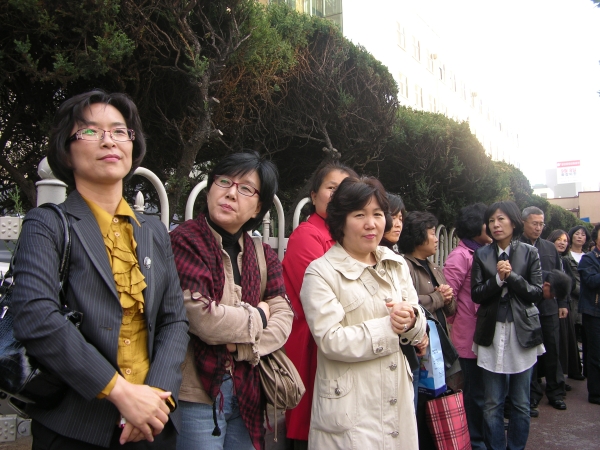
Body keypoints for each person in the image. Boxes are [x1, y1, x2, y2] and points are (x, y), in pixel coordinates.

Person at [11, 90, 190, 449]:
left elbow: (174, 320)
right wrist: (121, 392)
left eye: (120, 131)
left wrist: (156, 397)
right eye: (90, 131)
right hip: (75, 427)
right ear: (66, 151)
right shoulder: (47, 224)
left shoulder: (153, 230)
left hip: (153, 424)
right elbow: (35, 315)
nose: (109, 140)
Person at [170, 151, 293, 450]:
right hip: (198, 394)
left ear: (258, 207)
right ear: (210, 188)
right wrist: (259, 316)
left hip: (249, 388)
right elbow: (203, 319)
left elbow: (284, 315)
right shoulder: (184, 241)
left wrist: (241, 347)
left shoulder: (262, 253)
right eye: (224, 181)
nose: (231, 193)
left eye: (246, 188)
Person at [300, 177, 427, 449]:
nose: (371, 223)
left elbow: (416, 315)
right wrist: (389, 328)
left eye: (378, 214)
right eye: (359, 215)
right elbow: (330, 339)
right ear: (341, 221)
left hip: (396, 398)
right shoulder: (321, 272)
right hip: (352, 410)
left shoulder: (396, 264)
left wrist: (412, 320)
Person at [282, 160, 357, 449]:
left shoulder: (347, 238)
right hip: (313, 347)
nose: (338, 195)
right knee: (313, 429)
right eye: (331, 188)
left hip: (345, 345)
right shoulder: (307, 235)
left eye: (346, 189)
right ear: (314, 196)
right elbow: (325, 299)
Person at [471, 201, 544, 450]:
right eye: (491, 220)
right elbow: (476, 294)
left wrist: (511, 276)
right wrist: (498, 279)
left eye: (501, 219)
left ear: (514, 222)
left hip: (521, 331)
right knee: (492, 403)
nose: (495, 225)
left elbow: (536, 293)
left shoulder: (529, 252)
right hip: (491, 332)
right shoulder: (482, 254)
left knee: (521, 402)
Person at [442, 203, 491, 450]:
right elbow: (447, 298)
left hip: (484, 334)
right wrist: (458, 322)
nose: (493, 226)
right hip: (468, 336)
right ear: (476, 225)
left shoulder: (486, 252)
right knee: (474, 394)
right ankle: (475, 441)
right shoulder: (461, 256)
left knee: (483, 392)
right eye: (488, 221)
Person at [379, 193, 429, 414]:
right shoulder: (372, 259)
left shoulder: (397, 259)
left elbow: (413, 304)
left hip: (409, 350)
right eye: (393, 216)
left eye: (401, 217)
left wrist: (420, 330)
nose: (398, 223)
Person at [520, 206, 567, 414]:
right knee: (529, 352)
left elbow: (559, 277)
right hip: (525, 308)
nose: (538, 228)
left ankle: (556, 392)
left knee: (552, 349)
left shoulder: (549, 247)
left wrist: (562, 303)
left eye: (541, 224)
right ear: (523, 223)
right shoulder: (516, 246)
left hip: (549, 307)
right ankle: (532, 395)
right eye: (534, 223)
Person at [546, 229, 584, 383]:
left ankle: (569, 373)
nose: (562, 243)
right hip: (550, 304)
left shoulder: (565, 261)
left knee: (567, 341)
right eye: (559, 240)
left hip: (564, 304)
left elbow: (572, 282)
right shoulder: (546, 257)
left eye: (565, 240)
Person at [577, 223, 600, 405]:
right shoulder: (588, 259)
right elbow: (591, 281)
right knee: (595, 354)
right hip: (593, 312)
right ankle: (595, 393)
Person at [566, 225, 591, 345]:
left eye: (583, 234)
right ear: (571, 236)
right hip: (572, 300)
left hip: (589, 301)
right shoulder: (566, 257)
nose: (580, 236)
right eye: (577, 234)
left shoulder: (589, 257)